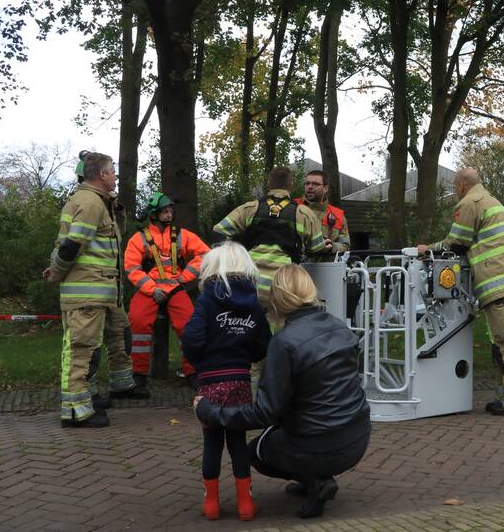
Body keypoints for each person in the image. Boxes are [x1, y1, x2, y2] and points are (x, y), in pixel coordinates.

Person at [195, 263, 371, 520]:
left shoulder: (284, 342)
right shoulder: (340, 328)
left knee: (254, 453)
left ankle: (315, 480)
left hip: (316, 444)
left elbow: (263, 413)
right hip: (357, 438)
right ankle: (315, 478)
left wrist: (210, 410)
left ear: (277, 298)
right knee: (296, 426)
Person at [417, 167, 504, 416]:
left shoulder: (469, 203)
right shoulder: (491, 201)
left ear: (462, 185)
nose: (454, 192)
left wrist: (427, 249)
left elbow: (456, 243)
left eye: (454, 187)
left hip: (499, 285)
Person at [43, 151, 149, 428]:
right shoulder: (90, 202)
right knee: (81, 350)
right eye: (112, 171)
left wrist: (117, 211)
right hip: (86, 293)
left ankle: (92, 398)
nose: (116, 175)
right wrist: (56, 273)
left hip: (100, 292)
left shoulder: (98, 202)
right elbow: (71, 246)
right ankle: (75, 411)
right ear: (102, 175)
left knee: (104, 341)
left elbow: (103, 242)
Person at [182, 242, 271, 521]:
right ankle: (245, 504)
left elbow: (191, 339)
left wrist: (200, 362)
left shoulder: (207, 300)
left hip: (210, 380)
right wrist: (247, 355)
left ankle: (211, 504)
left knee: (212, 442)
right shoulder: (254, 304)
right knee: (237, 440)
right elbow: (263, 344)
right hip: (240, 380)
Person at [124, 192, 210, 390]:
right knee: (138, 321)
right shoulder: (138, 239)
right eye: (165, 211)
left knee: (189, 324)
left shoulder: (182, 235)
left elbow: (205, 254)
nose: (169, 214)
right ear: (154, 214)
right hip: (149, 289)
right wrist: (152, 289)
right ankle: (138, 374)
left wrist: (184, 277)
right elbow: (132, 268)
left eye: (171, 211)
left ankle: (193, 371)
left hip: (175, 288)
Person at [212, 167, 327, 305]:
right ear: (291, 185)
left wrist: (233, 258)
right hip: (283, 286)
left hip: (249, 282)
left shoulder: (250, 208)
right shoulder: (304, 214)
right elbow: (316, 248)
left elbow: (218, 232)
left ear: (268, 184)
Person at [294, 169, 350, 253]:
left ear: (325, 188)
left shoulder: (338, 215)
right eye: (307, 183)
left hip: (325, 261)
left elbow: (345, 246)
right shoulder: (292, 207)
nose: (310, 187)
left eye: (315, 184)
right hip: (296, 260)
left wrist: (332, 246)